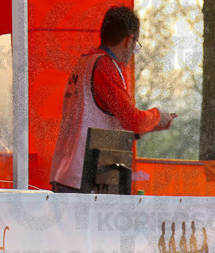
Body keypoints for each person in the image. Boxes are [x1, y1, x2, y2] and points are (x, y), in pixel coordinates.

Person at [50, 5, 174, 193]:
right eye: (136, 45)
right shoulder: (105, 67)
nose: (133, 52)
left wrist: (147, 127)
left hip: (69, 174)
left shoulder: (85, 63)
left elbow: (97, 121)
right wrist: (157, 116)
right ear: (129, 40)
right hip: (84, 179)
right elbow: (133, 120)